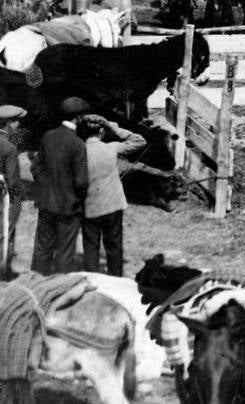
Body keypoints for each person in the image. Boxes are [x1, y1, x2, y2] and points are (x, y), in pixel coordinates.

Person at [76, 113, 145, 276]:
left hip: (90, 206)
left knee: (91, 247)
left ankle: (93, 280)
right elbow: (139, 141)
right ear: (102, 132)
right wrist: (115, 127)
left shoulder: (79, 152)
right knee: (114, 246)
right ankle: (116, 279)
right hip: (113, 205)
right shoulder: (110, 148)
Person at [32, 96, 89, 275]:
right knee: (64, 254)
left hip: (46, 204)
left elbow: (36, 167)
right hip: (68, 208)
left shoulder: (48, 136)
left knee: (42, 250)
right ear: (78, 118)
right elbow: (81, 182)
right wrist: (78, 196)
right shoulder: (78, 144)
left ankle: (35, 288)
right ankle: (58, 290)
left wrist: (46, 186)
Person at [0, 105, 23, 278]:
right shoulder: (9, 148)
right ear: (9, 124)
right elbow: (12, 180)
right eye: (16, 121)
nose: (19, 125)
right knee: (5, 234)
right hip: (4, 198)